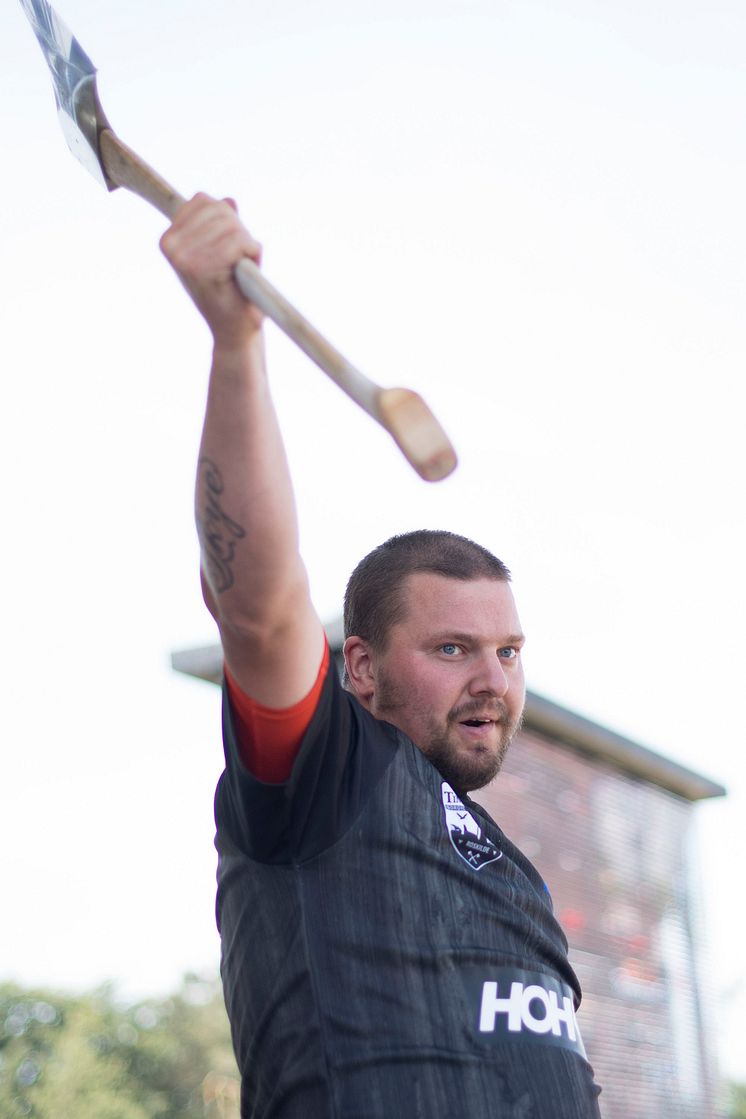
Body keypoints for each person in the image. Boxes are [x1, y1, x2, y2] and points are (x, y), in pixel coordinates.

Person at [161, 194, 602, 1118]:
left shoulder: (511, 874)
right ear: (359, 666)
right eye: (453, 647)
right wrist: (236, 346)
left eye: (509, 650)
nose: (494, 679)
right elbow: (260, 606)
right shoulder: (327, 772)